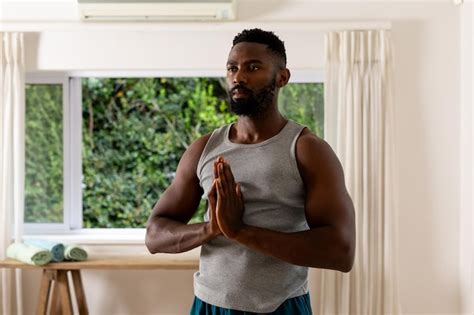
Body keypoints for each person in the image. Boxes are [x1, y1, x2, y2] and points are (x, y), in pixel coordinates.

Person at [145, 28, 356, 315]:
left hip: (281, 307)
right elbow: (155, 236)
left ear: (282, 77)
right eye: (232, 68)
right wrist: (212, 228)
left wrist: (241, 232)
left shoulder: (308, 150)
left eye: (253, 67)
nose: (238, 76)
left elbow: (341, 252)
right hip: (209, 306)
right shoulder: (203, 149)